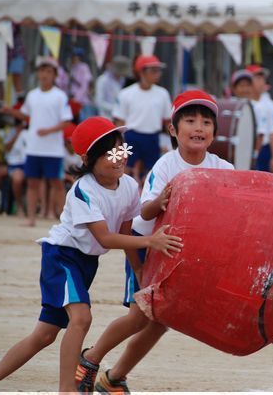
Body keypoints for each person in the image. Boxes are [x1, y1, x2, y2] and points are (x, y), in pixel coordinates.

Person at [0, 116, 181, 393]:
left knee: (44, 335)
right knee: (82, 319)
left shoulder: (130, 186)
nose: (119, 157)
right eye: (109, 153)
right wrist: (152, 241)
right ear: (87, 159)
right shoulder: (83, 190)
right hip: (62, 257)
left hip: (86, 262)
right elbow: (106, 237)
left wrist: (138, 269)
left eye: (121, 148)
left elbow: (125, 231)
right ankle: (67, 389)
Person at [75, 90, 234, 393]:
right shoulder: (166, 166)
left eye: (206, 122)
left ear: (214, 132)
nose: (199, 127)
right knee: (139, 316)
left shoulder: (223, 169)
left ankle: (114, 379)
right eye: (190, 120)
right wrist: (161, 200)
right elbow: (143, 212)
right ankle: (90, 359)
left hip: (181, 255)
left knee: (161, 322)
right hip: (148, 247)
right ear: (173, 130)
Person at [0, 56, 73, 227]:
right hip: (34, 147)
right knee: (32, 182)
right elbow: (26, 115)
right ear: (38, 73)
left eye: (48, 71)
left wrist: (49, 130)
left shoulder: (60, 96)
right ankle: (31, 218)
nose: (44, 75)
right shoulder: (32, 95)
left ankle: (63, 219)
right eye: (42, 71)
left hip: (53, 148)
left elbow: (66, 120)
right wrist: (11, 111)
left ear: (54, 75)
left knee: (57, 183)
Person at [112, 55, 172, 184]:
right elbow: (119, 122)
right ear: (141, 72)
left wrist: (172, 143)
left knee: (152, 174)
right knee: (123, 171)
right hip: (131, 136)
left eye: (158, 71)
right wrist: (117, 144)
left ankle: (146, 202)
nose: (157, 74)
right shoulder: (126, 93)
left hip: (152, 138)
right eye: (153, 70)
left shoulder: (163, 94)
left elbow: (168, 122)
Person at [247, 64, 273, 173]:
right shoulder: (243, 103)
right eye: (257, 78)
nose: (262, 81)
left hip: (264, 151)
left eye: (263, 78)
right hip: (246, 147)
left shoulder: (270, 104)